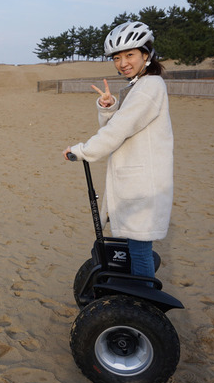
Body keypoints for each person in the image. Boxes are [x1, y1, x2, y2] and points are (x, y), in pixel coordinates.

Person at [62, 21, 173, 283]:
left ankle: (144, 307)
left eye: (130, 54)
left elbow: (117, 132)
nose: (123, 62)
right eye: (117, 57)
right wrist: (109, 108)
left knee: (140, 249)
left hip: (143, 185)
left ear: (146, 54)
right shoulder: (140, 86)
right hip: (136, 182)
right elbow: (121, 127)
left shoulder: (149, 88)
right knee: (135, 246)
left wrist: (82, 151)